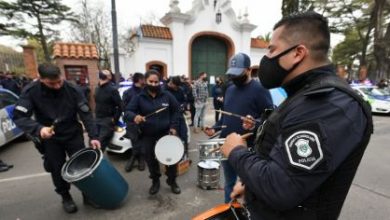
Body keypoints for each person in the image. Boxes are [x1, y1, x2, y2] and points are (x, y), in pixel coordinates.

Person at [220, 12, 373, 220]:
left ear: (298, 53)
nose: (267, 59)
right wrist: (251, 186)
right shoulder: (302, 95)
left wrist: (237, 151)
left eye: (272, 50)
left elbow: (280, 187)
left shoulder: (329, 104)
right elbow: (279, 149)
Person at [12, 63, 101, 214]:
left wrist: (93, 136)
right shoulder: (31, 91)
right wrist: (39, 129)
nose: (58, 86)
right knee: (57, 168)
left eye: (59, 81)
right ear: (41, 79)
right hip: (50, 137)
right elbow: (19, 117)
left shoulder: (72, 89)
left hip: (72, 133)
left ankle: (88, 194)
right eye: (51, 83)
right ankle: (65, 197)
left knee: (83, 164)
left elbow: (86, 113)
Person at [204, 53, 273, 204]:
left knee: (248, 185)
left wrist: (254, 122)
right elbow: (225, 117)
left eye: (238, 73)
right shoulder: (229, 89)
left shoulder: (260, 89)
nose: (234, 77)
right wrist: (214, 128)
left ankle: (248, 212)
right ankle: (230, 210)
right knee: (229, 183)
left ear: (248, 70)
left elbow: (271, 118)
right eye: (232, 74)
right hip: (227, 144)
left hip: (247, 149)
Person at [124, 70, 181, 195]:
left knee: (170, 160)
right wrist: (135, 117)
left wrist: (173, 126)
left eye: (156, 82)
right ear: (146, 81)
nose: (154, 84)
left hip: (166, 134)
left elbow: (176, 111)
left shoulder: (167, 96)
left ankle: (172, 181)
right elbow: (127, 112)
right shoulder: (139, 97)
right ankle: (155, 181)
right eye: (151, 81)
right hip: (147, 135)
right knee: (150, 160)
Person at [94, 69, 122, 152]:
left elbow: (120, 106)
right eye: (103, 71)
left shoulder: (112, 90)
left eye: (106, 72)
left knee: (100, 145)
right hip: (97, 119)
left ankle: (97, 162)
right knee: (94, 142)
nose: (103, 71)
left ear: (109, 77)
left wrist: (114, 120)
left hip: (107, 120)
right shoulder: (97, 88)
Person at [123, 72, 146, 172]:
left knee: (141, 140)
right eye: (143, 79)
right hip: (132, 121)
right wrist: (133, 117)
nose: (144, 80)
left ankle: (139, 159)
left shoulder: (145, 91)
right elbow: (125, 109)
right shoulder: (127, 92)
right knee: (134, 140)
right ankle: (134, 158)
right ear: (139, 80)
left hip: (144, 121)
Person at [164, 76, 190, 158]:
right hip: (169, 117)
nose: (177, 88)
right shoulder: (164, 91)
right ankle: (174, 153)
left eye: (178, 87)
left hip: (180, 115)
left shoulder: (180, 89)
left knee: (184, 134)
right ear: (171, 83)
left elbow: (185, 100)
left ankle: (185, 152)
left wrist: (184, 105)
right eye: (176, 86)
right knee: (173, 135)